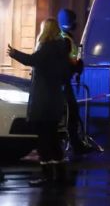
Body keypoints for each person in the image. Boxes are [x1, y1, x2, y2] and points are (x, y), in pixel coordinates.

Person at [7, 18, 73, 186]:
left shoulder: (47, 48)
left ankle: (47, 175)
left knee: (43, 140)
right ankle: (60, 174)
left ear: (45, 30)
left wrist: (14, 53)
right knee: (52, 138)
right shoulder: (61, 50)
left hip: (43, 101)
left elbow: (32, 60)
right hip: (55, 99)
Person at [57, 9, 94, 157]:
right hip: (63, 83)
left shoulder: (60, 37)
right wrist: (78, 66)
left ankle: (73, 143)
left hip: (59, 82)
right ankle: (75, 145)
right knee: (72, 113)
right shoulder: (66, 40)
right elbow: (69, 62)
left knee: (69, 114)